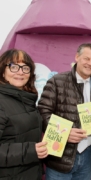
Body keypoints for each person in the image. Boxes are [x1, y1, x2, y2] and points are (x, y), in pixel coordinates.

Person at [38, 43, 91, 180]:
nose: (90, 63)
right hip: (61, 157)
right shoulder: (57, 81)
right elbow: (42, 112)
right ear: (77, 57)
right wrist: (64, 132)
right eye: (86, 58)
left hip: (88, 157)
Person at [0, 49, 48, 180]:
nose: (20, 72)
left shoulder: (27, 99)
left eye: (25, 67)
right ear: (3, 72)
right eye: (14, 66)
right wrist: (31, 151)